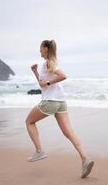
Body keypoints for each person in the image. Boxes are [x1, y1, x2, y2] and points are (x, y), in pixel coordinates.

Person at [25, 39, 94, 178]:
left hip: (50, 101)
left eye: (40, 48)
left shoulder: (48, 63)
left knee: (29, 122)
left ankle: (39, 151)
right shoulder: (48, 64)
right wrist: (35, 72)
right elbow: (43, 85)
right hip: (61, 101)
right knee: (68, 132)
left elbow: (63, 76)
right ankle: (85, 159)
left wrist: (49, 82)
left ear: (45, 49)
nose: (39, 50)